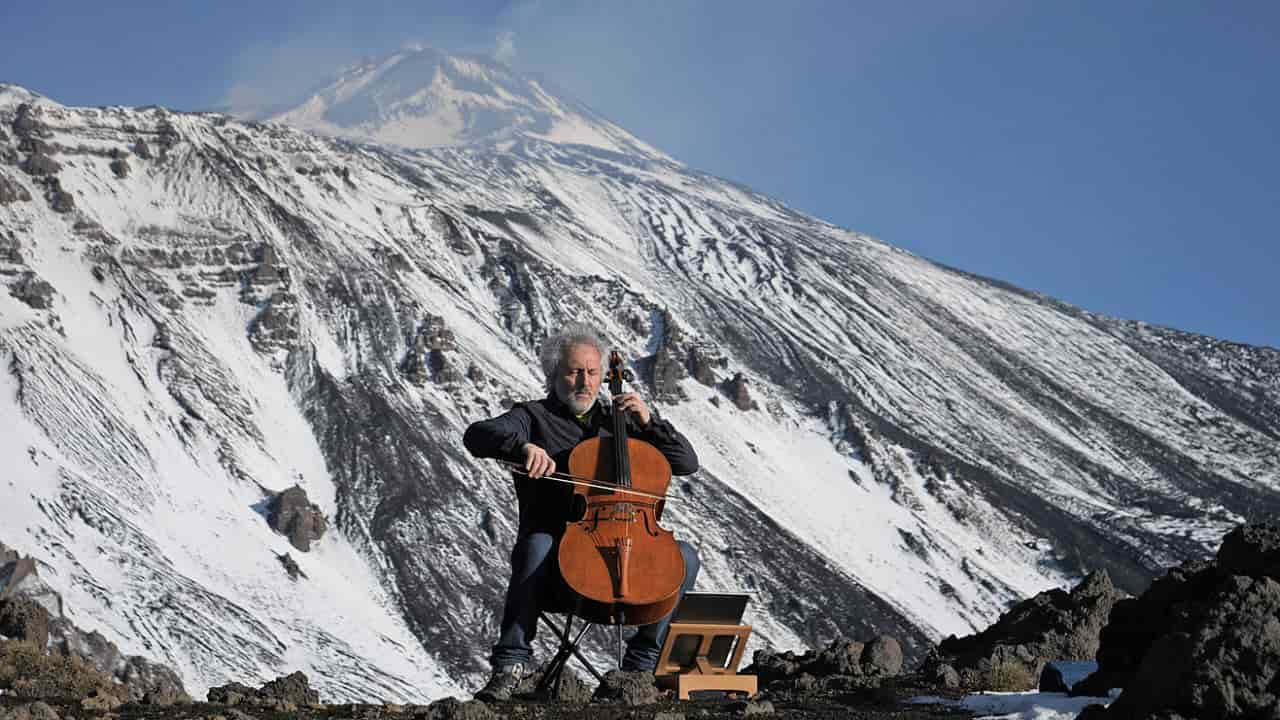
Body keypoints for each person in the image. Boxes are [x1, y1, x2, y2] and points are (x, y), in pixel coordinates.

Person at [463, 322, 701, 702]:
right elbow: (477, 434)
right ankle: (510, 664)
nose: (584, 382)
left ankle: (641, 665)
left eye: (592, 373)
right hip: (562, 568)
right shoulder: (532, 416)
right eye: (574, 372)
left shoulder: (619, 421)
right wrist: (521, 449)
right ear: (555, 373)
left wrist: (648, 422)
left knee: (685, 557)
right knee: (536, 544)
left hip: (627, 552)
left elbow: (686, 462)